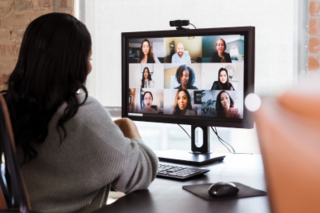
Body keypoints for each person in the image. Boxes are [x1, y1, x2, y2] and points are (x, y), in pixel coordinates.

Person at [0, 13, 158, 213]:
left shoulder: (15, 106)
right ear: (73, 62)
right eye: (88, 58)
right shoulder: (82, 113)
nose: (90, 67)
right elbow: (143, 173)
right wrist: (128, 125)